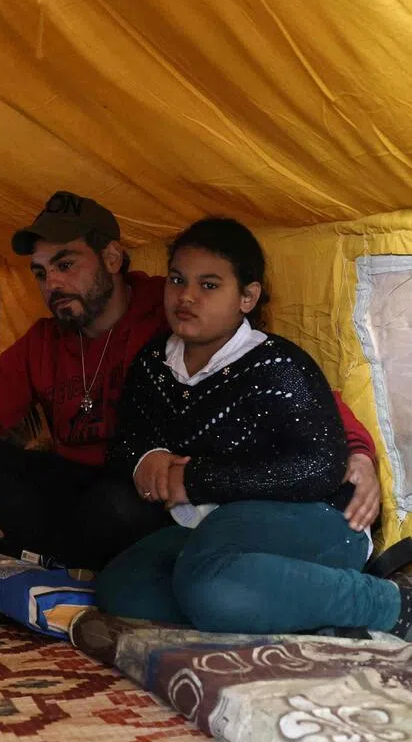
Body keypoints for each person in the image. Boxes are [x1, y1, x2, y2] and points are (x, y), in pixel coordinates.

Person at [0, 190, 380, 570]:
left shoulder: (175, 311)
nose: (53, 285)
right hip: (82, 484)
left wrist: (356, 450)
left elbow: (272, 375)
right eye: (42, 273)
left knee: (116, 509)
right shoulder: (45, 340)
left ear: (110, 257)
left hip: (150, 493)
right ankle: (57, 551)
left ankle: (54, 553)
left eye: (66, 265)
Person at [95, 218, 412, 637]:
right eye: (177, 280)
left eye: (209, 285)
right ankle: (286, 604)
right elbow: (125, 442)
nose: (186, 296)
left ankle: (390, 604)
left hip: (321, 519)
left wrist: (197, 478)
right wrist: (145, 460)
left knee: (209, 583)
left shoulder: (277, 365)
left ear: (247, 297)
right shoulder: (154, 363)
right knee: (120, 589)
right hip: (215, 528)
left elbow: (320, 467)